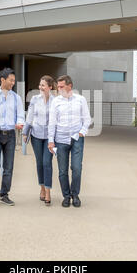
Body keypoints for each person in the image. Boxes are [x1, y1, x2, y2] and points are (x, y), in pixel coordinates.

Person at [48, 75, 91, 208]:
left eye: (61, 86)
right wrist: (51, 140)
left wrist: (81, 132)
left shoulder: (80, 100)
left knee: (77, 168)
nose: (59, 89)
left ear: (69, 86)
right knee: (62, 170)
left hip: (77, 139)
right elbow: (52, 122)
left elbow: (87, 119)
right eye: (58, 87)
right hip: (60, 140)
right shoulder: (56, 101)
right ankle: (66, 196)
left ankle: (75, 195)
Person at [0, 68, 25, 207]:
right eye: (11, 80)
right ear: (3, 80)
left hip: (11, 135)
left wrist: (20, 123)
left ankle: (5, 194)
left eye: (14, 80)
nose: (13, 82)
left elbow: (20, 115)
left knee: (8, 167)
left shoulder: (16, 98)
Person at [23, 76, 56, 206]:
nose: (40, 87)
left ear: (50, 87)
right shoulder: (34, 99)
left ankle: (48, 191)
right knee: (39, 163)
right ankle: (42, 188)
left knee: (47, 162)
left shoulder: (55, 101)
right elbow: (30, 115)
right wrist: (25, 132)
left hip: (50, 137)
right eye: (40, 85)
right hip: (36, 135)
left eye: (43, 85)